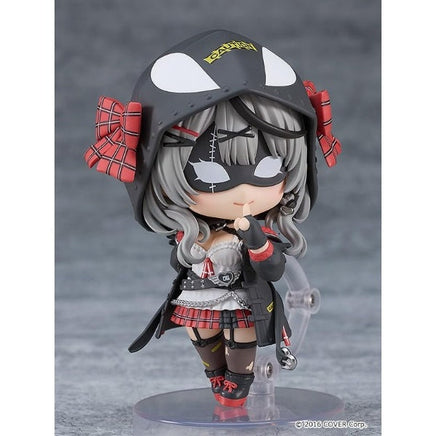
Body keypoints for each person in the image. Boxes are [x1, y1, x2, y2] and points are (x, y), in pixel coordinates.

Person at [84, 29, 341, 407]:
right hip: (199, 295)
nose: (245, 191)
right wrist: (193, 244)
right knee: (200, 333)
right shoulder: (193, 231)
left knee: (241, 338)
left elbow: (273, 269)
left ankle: (238, 384)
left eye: (270, 169)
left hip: (244, 300)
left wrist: (255, 239)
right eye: (211, 174)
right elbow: (179, 261)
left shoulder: (257, 230)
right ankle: (215, 377)